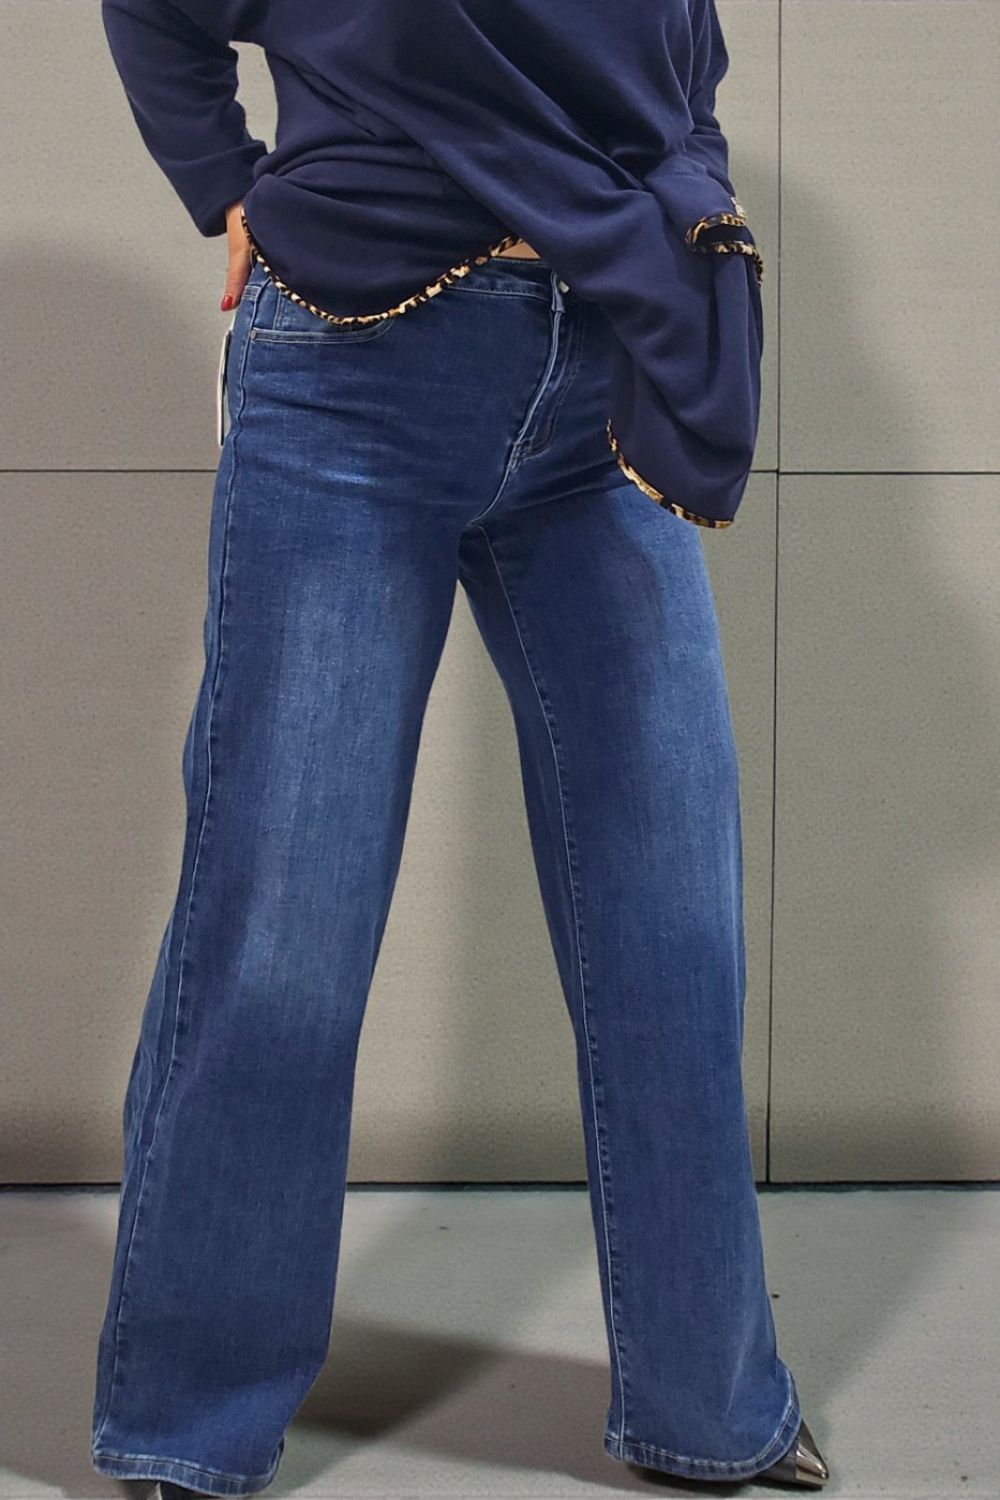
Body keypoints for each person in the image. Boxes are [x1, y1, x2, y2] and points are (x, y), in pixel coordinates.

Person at [90, 1, 828, 1494]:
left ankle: (710, 1405)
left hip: (609, 366)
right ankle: (186, 1422)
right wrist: (222, 181)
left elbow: (678, 52)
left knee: (672, 917)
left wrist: (686, 197)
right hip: (356, 356)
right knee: (287, 915)